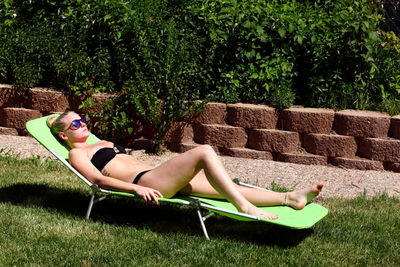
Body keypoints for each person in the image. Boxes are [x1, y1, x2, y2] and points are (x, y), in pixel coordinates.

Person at [47, 110, 323, 220]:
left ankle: (290, 198)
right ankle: (244, 208)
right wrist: (134, 191)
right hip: (145, 183)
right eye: (75, 123)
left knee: (225, 188)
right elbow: (98, 181)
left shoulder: (101, 141)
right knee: (203, 151)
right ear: (63, 134)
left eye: (82, 119)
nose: (82, 123)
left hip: (154, 175)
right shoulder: (77, 155)